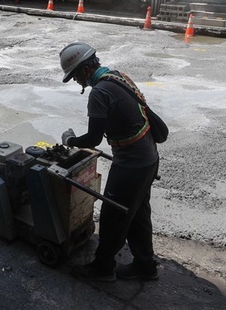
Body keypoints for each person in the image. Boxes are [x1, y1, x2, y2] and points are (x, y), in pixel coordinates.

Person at [59, 42, 159, 283]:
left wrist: (70, 139)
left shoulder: (99, 93)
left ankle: (103, 267)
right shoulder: (117, 77)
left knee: (114, 215)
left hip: (131, 164)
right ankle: (145, 266)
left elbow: (93, 139)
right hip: (149, 158)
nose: (76, 82)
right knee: (137, 212)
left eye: (74, 76)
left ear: (84, 69)